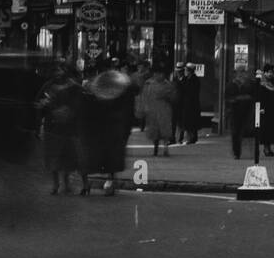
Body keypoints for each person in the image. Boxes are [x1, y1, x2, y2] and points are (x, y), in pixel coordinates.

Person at [80, 61, 134, 195]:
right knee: (99, 157)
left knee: (105, 157)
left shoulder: (118, 88)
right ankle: (101, 183)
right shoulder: (93, 88)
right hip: (101, 127)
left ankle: (103, 183)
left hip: (108, 127)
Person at [35, 62, 84, 197]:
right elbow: (39, 103)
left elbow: (81, 104)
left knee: (68, 156)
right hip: (53, 126)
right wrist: (44, 110)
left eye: (61, 70)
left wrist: (70, 112)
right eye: (56, 70)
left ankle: (66, 181)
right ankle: (56, 184)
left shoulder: (74, 87)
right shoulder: (48, 86)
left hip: (69, 127)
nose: (58, 73)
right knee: (53, 156)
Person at [141, 65, 177, 157]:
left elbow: (174, 97)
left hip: (164, 110)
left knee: (165, 130)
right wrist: (145, 108)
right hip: (153, 111)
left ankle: (165, 147)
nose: (159, 76)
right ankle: (156, 148)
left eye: (161, 74)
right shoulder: (149, 84)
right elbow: (145, 97)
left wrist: (167, 97)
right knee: (155, 131)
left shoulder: (168, 85)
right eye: (157, 74)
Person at [226, 71, 256, 160]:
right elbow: (228, 98)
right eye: (239, 73)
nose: (241, 75)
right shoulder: (231, 85)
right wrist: (236, 99)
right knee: (235, 133)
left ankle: (248, 152)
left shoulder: (250, 84)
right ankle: (236, 152)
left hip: (247, 112)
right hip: (235, 112)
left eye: (243, 73)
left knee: (247, 132)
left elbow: (254, 95)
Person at [257, 66, 274, 158]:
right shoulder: (262, 84)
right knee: (266, 129)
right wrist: (261, 108)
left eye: (272, 72)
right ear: (265, 73)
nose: (271, 74)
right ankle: (266, 148)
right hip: (265, 110)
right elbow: (260, 97)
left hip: (273, 110)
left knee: (272, 129)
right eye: (268, 72)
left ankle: (270, 149)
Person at [180, 63, 202, 144]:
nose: (185, 71)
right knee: (187, 121)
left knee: (192, 121)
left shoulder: (195, 80)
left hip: (193, 103)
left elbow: (192, 91)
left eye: (186, 70)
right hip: (186, 103)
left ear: (190, 71)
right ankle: (190, 137)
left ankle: (192, 138)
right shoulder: (185, 79)